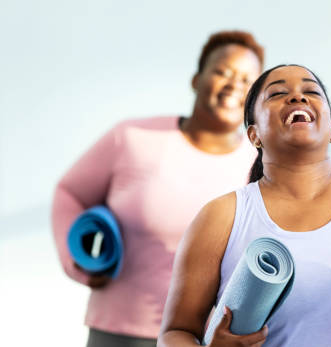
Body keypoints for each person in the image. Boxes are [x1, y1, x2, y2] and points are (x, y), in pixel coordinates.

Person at [158, 64, 331, 347]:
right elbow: (174, 334)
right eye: (278, 93)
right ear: (254, 135)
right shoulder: (221, 217)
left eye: (311, 91)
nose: (297, 97)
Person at [51, 30, 264, 347]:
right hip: (119, 331)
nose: (234, 84)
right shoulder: (132, 138)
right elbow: (69, 193)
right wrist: (76, 259)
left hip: (205, 338)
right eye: (222, 72)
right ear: (196, 79)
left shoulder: (261, 167)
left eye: (247, 80)